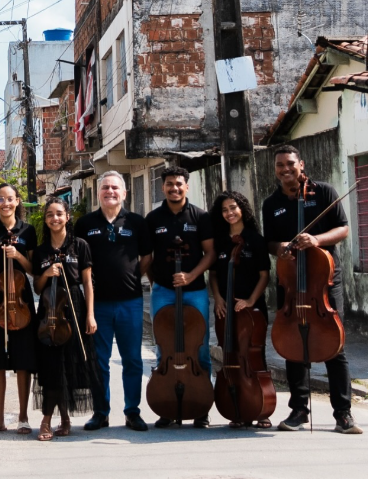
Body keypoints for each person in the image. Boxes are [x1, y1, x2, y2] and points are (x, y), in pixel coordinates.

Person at [262, 144, 362, 435]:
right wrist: (279, 247)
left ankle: (343, 414)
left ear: (301, 165)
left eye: (290, 164)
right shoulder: (272, 203)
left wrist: (316, 240)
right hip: (291, 281)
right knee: (294, 346)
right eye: (280, 165)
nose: (285, 169)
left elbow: (343, 228)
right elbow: (269, 242)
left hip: (323, 281)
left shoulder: (324, 192)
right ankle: (298, 411)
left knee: (334, 345)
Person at [75, 171, 152, 432]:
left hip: (130, 301)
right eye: (105, 187)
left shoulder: (137, 222)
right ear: (98, 193)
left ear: (124, 192)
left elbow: (147, 256)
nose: (110, 191)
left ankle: (132, 412)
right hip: (98, 305)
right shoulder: (85, 223)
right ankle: (101, 412)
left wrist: (132, 276)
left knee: (132, 359)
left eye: (115, 188)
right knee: (99, 360)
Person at [145, 165, 215, 428]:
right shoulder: (153, 218)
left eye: (179, 183)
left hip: (194, 292)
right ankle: (166, 405)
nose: (174, 188)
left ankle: (201, 407)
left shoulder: (201, 217)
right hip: (163, 292)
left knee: (201, 350)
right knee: (164, 350)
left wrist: (191, 276)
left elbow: (209, 254)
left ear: (187, 186)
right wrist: (156, 284)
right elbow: (147, 257)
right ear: (162, 187)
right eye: (169, 184)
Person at [32, 198, 98, 441]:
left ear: (67, 217)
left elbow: (88, 283)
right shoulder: (41, 250)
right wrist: (47, 273)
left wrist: (90, 314)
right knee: (51, 366)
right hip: (50, 311)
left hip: (74, 309)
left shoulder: (79, 246)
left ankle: (66, 417)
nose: (54, 218)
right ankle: (47, 419)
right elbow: (38, 287)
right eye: (49, 214)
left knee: (68, 366)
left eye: (59, 214)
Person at [0, 182, 37, 435]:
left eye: (10, 199)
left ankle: (23, 417)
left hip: (21, 297)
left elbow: (33, 268)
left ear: (18, 201)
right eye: (0, 199)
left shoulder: (28, 230)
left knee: (23, 359)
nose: (5, 203)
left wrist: (18, 256)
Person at [209, 190, 271, 429]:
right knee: (231, 354)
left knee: (254, 357)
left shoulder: (255, 239)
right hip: (226, 308)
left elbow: (264, 276)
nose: (229, 213)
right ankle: (237, 406)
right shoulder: (220, 240)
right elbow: (213, 275)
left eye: (233, 207)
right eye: (224, 210)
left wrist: (251, 301)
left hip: (251, 309)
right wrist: (218, 298)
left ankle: (261, 409)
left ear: (242, 208)